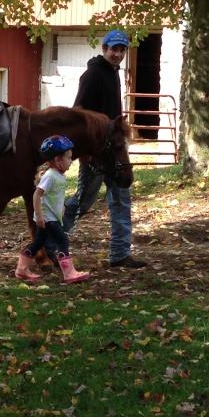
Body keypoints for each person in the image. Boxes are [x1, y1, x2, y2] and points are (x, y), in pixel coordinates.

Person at [63, 29, 146, 269]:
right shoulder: (92, 75)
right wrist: (86, 149)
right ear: (104, 49)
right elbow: (77, 112)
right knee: (82, 202)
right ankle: (52, 243)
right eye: (114, 49)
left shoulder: (113, 73)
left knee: (121, 197)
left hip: (114, 150)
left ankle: (120, 254)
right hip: (95, 152)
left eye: (122, 50)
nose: (118, 54)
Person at [15, 135, 90, 284]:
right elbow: (37, 195)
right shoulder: (50, 176)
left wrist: (61, 207)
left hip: (52, 217)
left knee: (37, 243)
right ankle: (69, 273)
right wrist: (39, 215)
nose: (71, 161)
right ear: (58, 160)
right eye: (68, 158)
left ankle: (21, 269)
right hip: (48, 218)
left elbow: (54, 196)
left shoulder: (58, 175)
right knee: (63, 241)